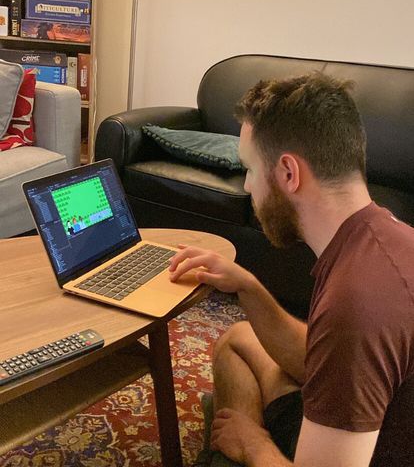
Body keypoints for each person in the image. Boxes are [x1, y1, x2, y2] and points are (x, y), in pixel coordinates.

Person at [169, 73, 414, 467]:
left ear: (288, 173)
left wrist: (253, 445)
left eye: (250, 169)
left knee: (240, 429)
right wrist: (247, 286)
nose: (248, 186)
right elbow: (324, 360)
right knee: (238, 338)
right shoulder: (384, 236)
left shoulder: (355, 303)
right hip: (377, 418)